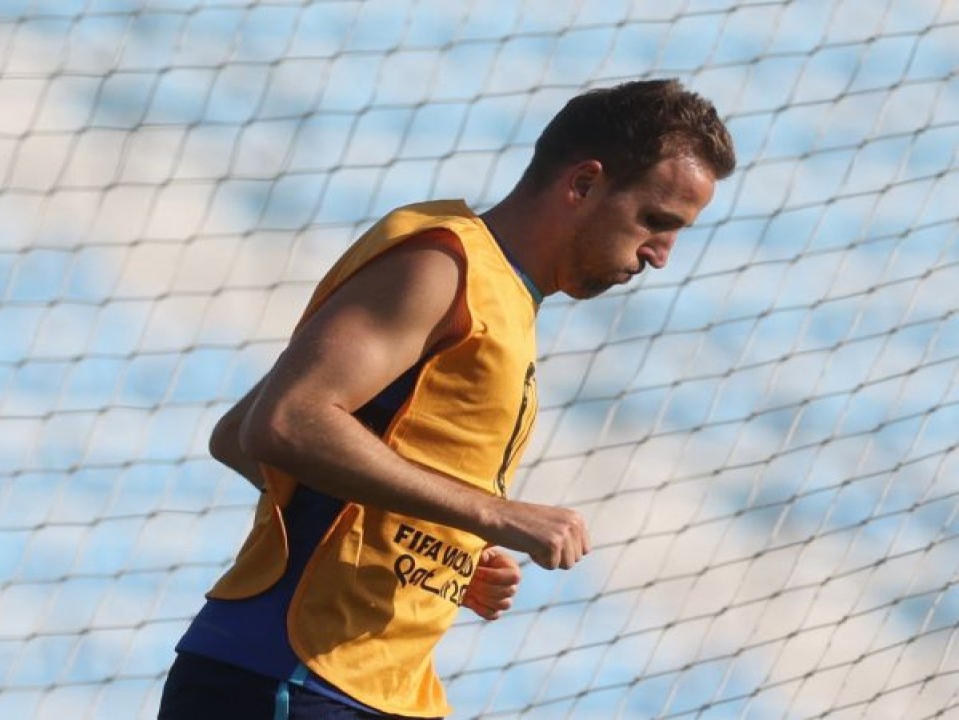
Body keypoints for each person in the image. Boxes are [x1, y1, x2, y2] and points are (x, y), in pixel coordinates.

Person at [158, 78, 736, 719]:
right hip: (289, 676)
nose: (661, 256)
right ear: (583, 183)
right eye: (656, 221)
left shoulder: (505, 295)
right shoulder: (443, 264)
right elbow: (283, 423)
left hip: (374, 686)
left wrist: (439, 542)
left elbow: (240, 432)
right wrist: (494, 515)